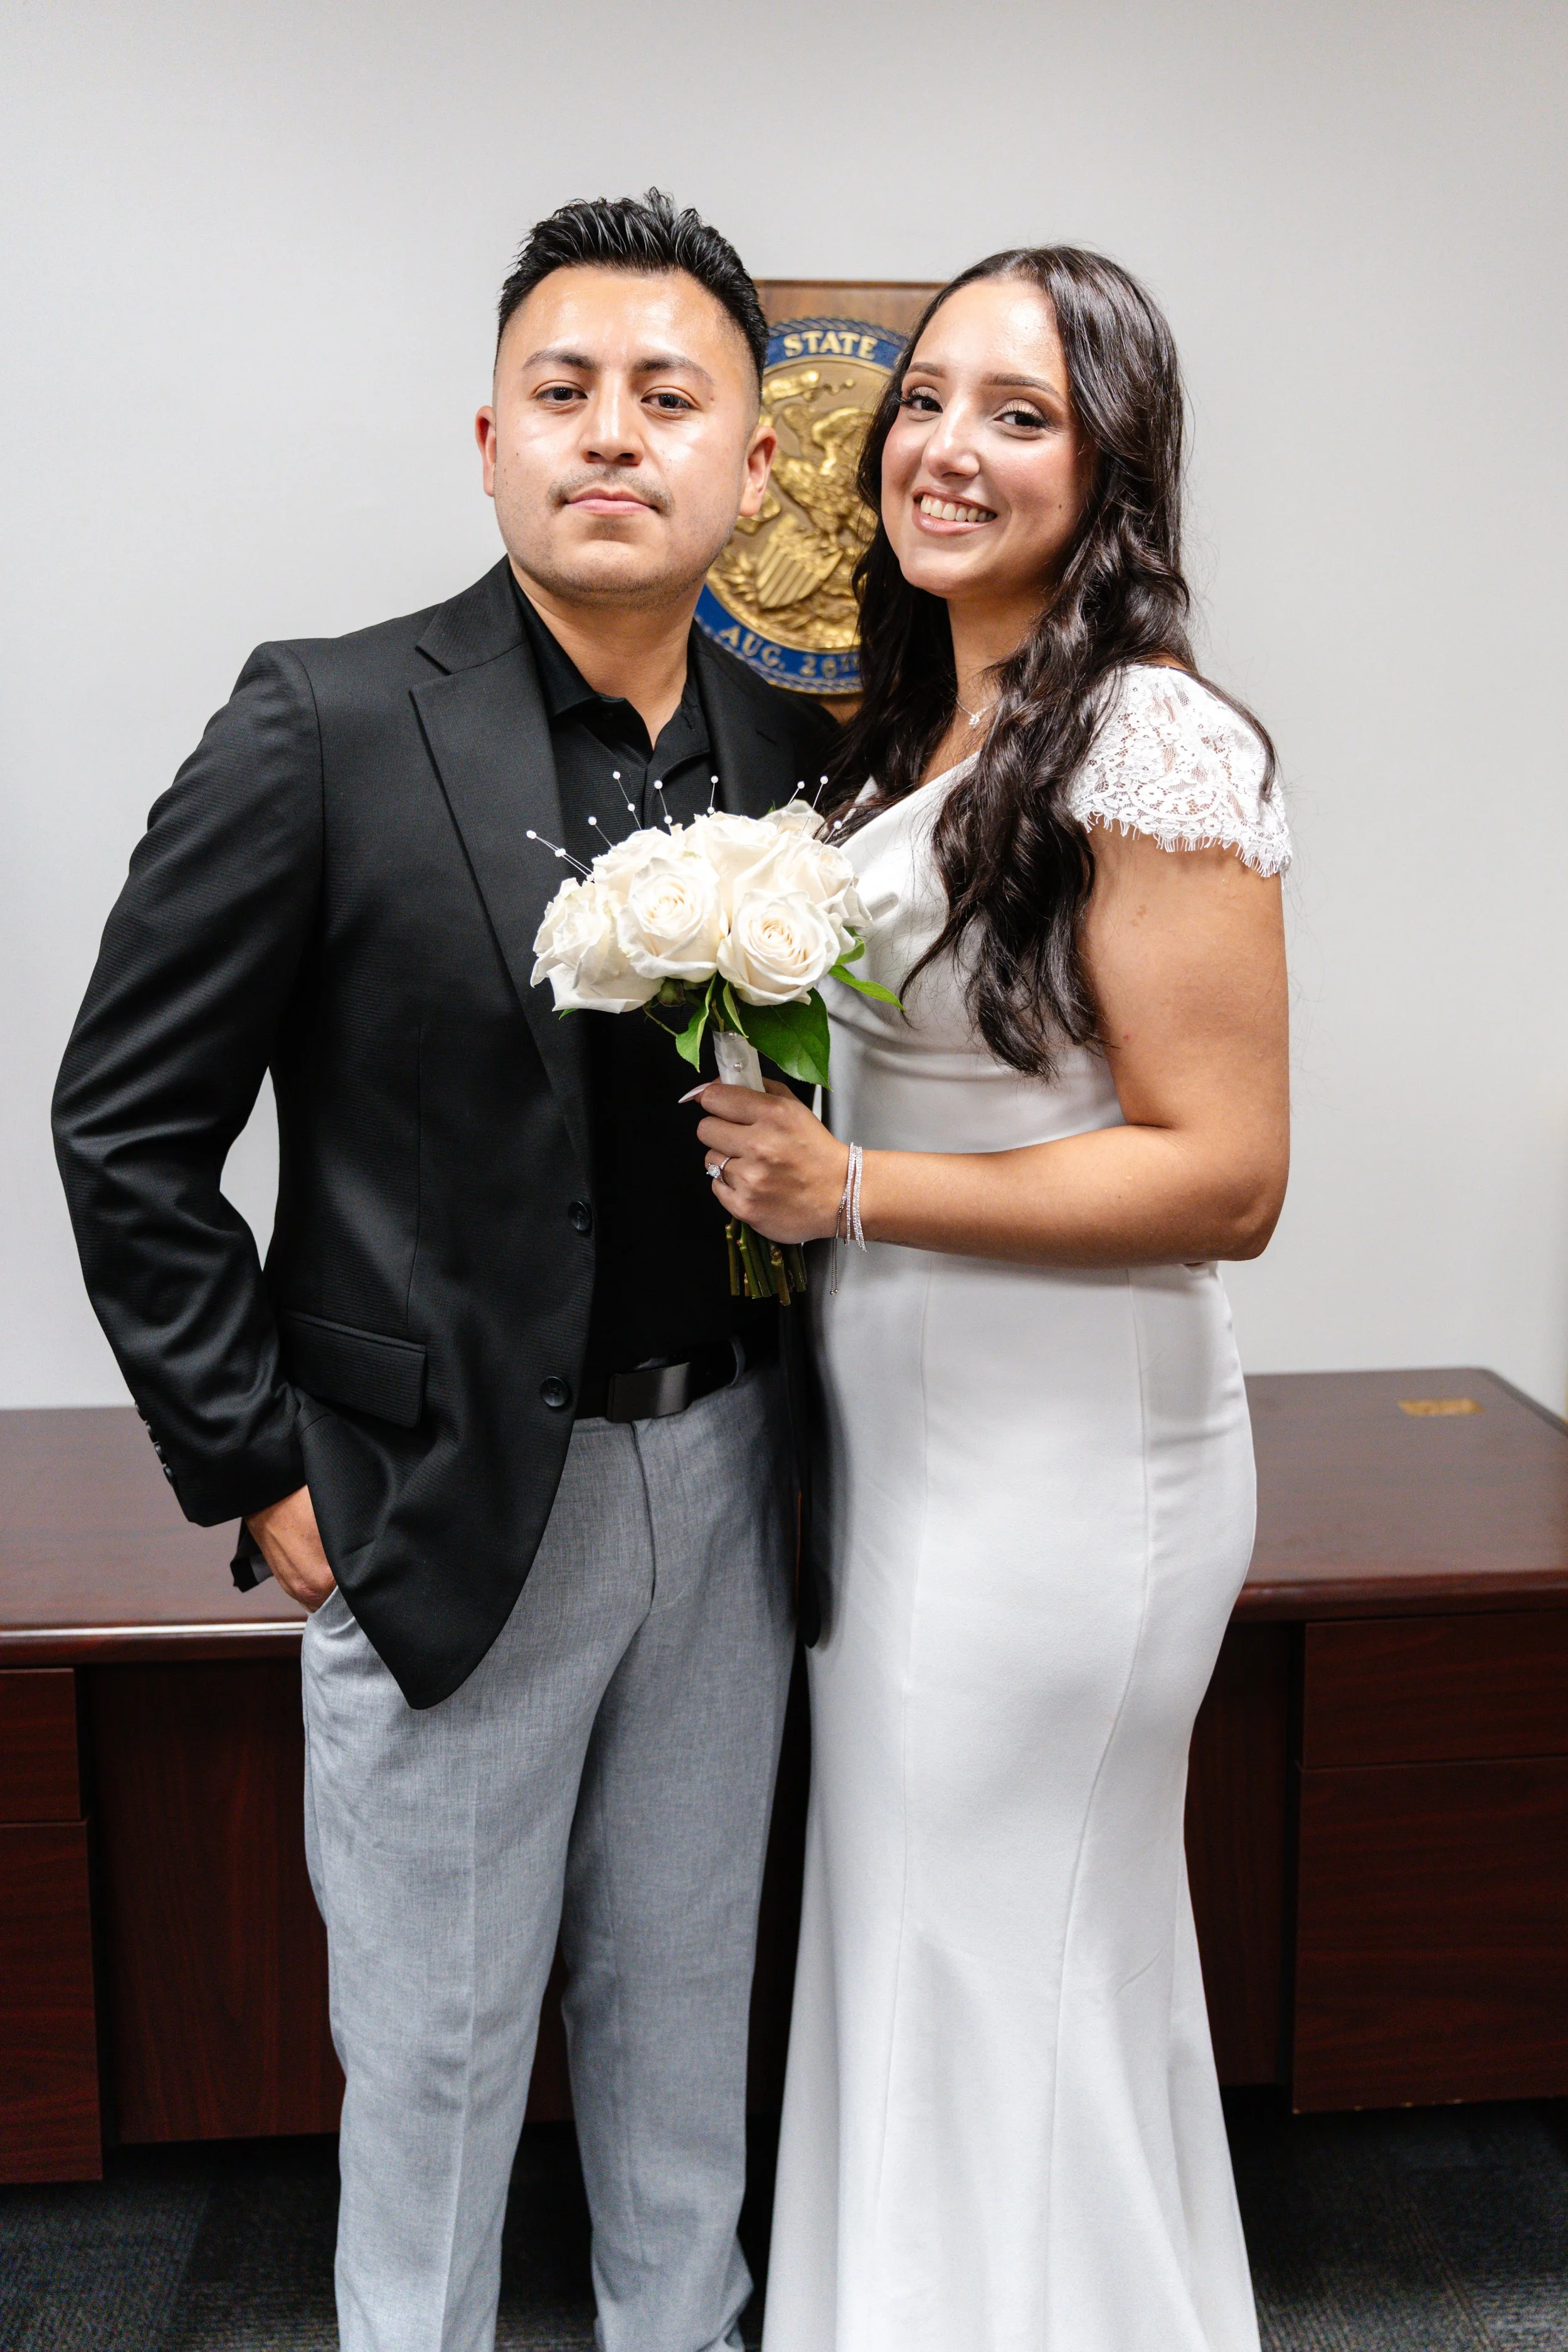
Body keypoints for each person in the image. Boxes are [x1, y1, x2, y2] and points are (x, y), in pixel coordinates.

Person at [53, 191, 836, 2352]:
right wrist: (264, 1477)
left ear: (751, 466)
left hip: (736, 1486)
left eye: (668, 396)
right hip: (438, 1502)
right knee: (437, 2069)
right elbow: (122, 1121)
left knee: (688, 2052)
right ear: (484, 437)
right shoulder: (318, 721)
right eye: (563, 391)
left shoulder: (801, 762)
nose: (614, 433)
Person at [688, 246, 1291, 2350]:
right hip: (903, 1451)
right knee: (941, 1952)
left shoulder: (1148, 736)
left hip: (1061, 1465)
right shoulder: (928, 722)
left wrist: (853, 1183)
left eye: (1017, 414)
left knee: (996, 1949)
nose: (946, 446)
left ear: (1109, 463)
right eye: (925, 399)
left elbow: (1226, 1174)